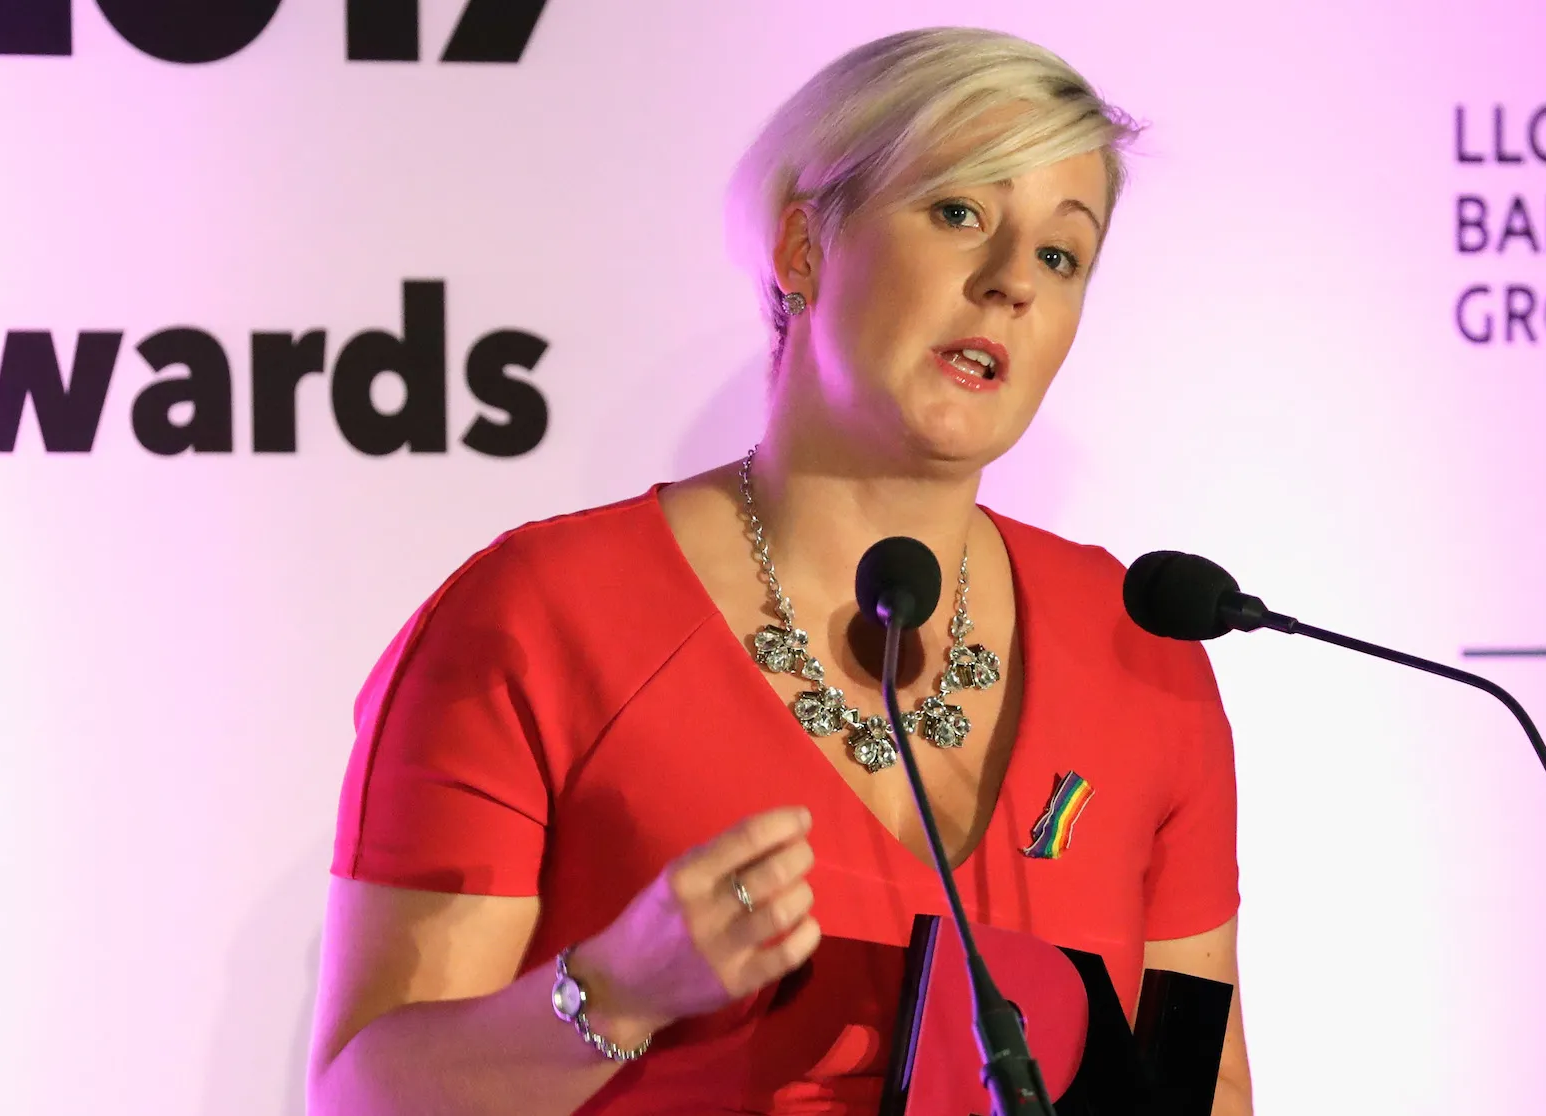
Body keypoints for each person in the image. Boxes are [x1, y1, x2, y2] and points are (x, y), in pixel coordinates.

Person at [307, 26, 1251, 1115]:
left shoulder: (1142, 649)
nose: (1009, 286)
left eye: (1060, 254)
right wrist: (613, 994)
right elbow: (360, 1097)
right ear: (803, 249)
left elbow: (1205, 1089)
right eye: (958, 214)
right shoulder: (540, 615)